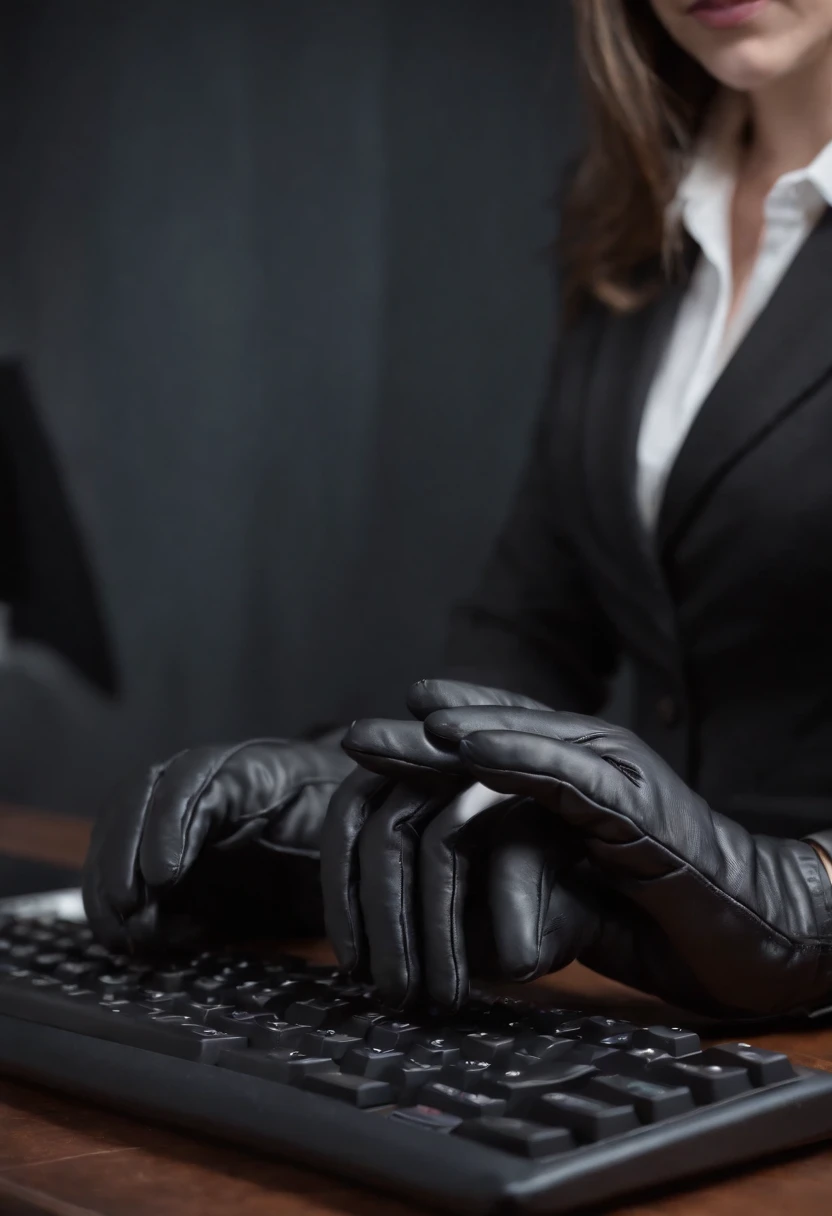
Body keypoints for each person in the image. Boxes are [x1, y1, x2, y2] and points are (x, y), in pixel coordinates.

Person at [82, 0, 832, 1021]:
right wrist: (334, 786)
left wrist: (810, 900)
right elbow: (533, 626)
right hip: (670, 1008)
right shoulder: (633, 213)